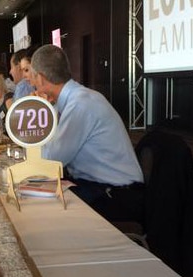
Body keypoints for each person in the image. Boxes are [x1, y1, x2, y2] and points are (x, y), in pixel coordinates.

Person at [31, 44, 144, 222]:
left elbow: (51, 160)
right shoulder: (78, 98)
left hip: (116, 195)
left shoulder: (80, 104)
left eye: (33, 78)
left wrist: (43, 114)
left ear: (42, 78)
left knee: (42, 208)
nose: (33, 85)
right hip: (99, 186)